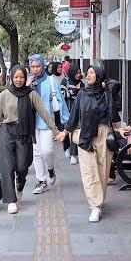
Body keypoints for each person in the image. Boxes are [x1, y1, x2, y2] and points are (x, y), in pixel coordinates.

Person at [0, 65, 61, 214]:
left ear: (25, 78)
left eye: (21, 77)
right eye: (16, 77)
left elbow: (44, 113)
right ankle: (11, 200)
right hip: (6, 132)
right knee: (7, 167)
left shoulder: (31, 94)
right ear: (12, 78)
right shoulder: (5, 95)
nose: (19, 80)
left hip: (23, 133)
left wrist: (54, 130)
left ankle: (20, 185)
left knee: (22, 166)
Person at [56, 66, 116, 222]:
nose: (87, 75)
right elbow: (74, 115)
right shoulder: (82, 94)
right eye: (87, 72)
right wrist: (65, 132)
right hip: (85, 134)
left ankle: (99, 200)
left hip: (103, 134)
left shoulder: (106, 93)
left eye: (92, 72)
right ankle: (95, 206)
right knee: (89, 171)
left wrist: (104, 84)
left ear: (100, 75)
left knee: (103, 170)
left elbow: (117, 84)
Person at [27, 54, 70, 193]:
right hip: (31, 123)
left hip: (47, 123)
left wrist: (67, 123)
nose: (35, 69)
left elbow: (61, 102)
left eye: (38, 66)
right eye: (32, 67)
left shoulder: (51, 81)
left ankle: (50, 170)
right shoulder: (27, 82)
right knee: (36, 153)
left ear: (43, 66)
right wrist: (27, 86)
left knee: (47, 151)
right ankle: (41, 180)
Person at [60, 63, 85, 165]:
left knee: (75, 131)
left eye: (79, 73)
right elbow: (62, 94)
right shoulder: (64, 81)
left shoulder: (81, 83)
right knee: (66, 130)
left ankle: (74, 154)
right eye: (76, 73)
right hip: (67, 110)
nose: (78, 75)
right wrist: (75, 90)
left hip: (77, 112)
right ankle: (67, 148)